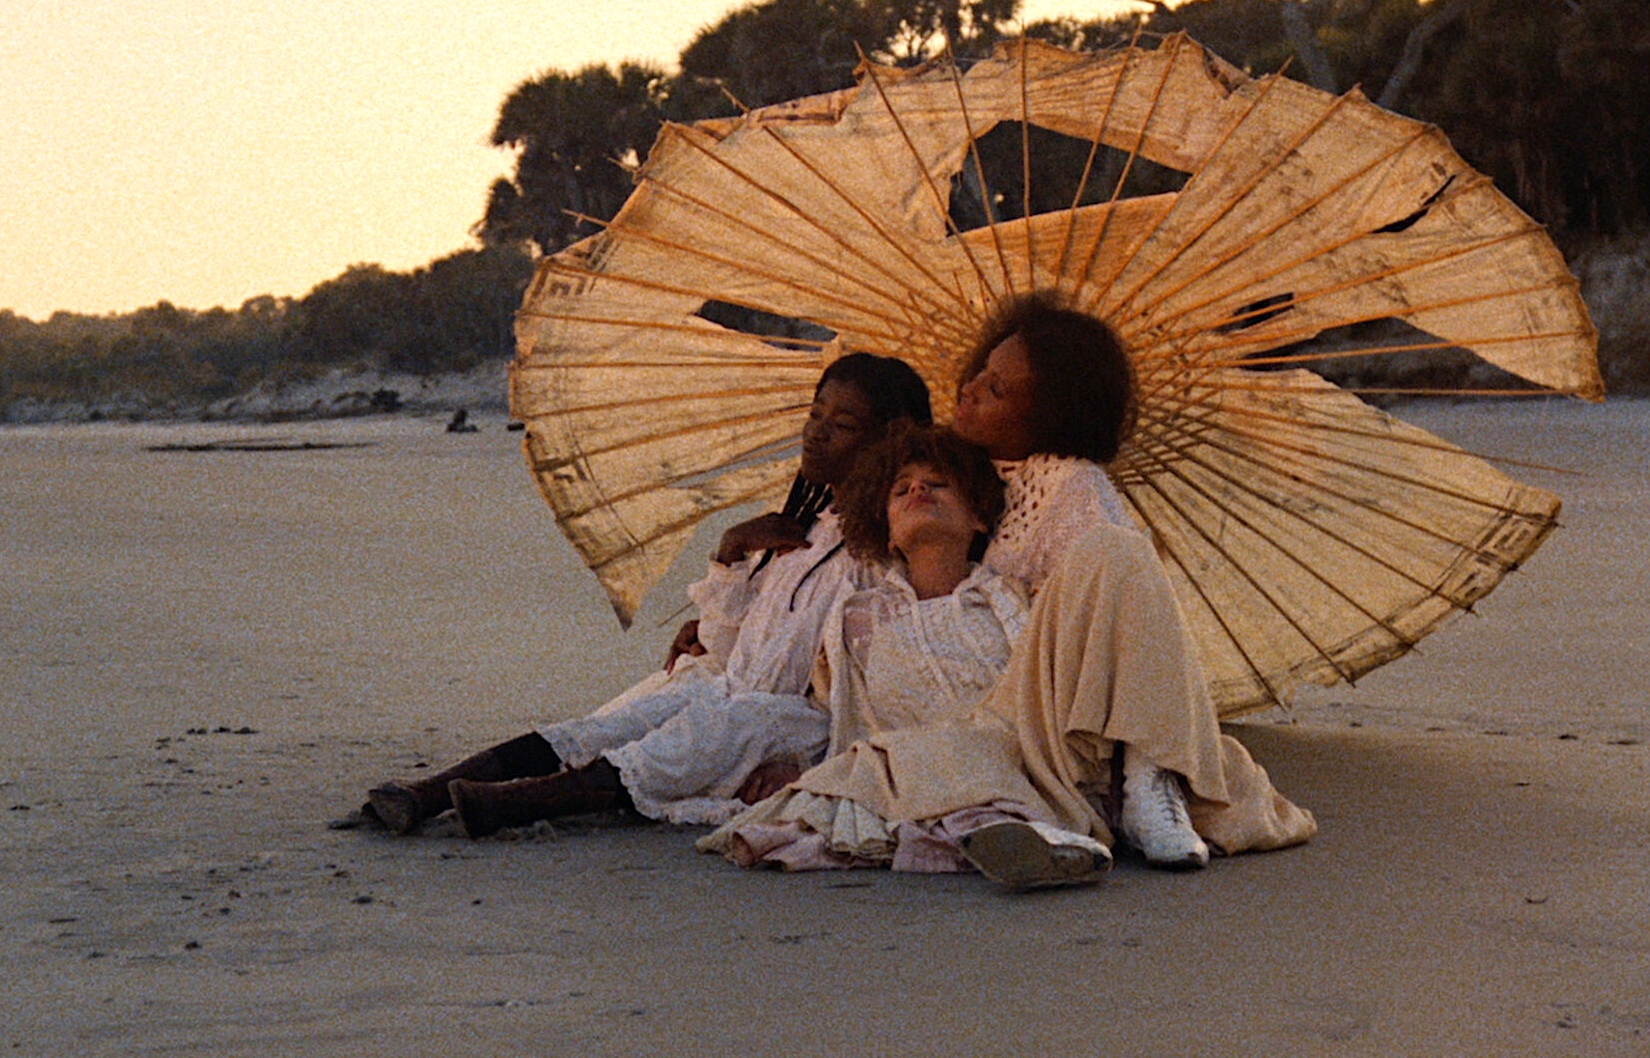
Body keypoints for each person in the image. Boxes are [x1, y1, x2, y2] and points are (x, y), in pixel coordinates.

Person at [355, 353, 935, 837]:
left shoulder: (883, 551)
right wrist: (733, 553)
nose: (816, 430)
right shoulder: (799, 530)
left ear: (889, 441)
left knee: (683, 744)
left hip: (797, 721)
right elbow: (727, 646)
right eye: (815, 413)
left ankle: (510, 803)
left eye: (843, 424)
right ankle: (429, 793)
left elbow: (867, 678)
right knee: (616, 722)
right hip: (730, 686)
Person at [943, 291, 1316, 866]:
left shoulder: (1071, 485)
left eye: (997, 389)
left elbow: (1114, 621)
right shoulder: (942, 468)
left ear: (1048, 417)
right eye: (982, 372)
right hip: (960, 679)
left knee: (1117, 551)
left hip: (1047, 686)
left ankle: (1150, 776)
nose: (969, 389)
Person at [700, 424, 1117, 890]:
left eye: (937, 484)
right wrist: (803, 768)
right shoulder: (856, 620)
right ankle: (1005, 833)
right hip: (912, 769)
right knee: (882, 760)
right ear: (891, 534)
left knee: (978, 743)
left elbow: (1050, 699)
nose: (918, 489)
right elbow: (838, 718)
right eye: (902, 490)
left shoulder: (1016, 602)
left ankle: (1018, 828)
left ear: (978, 519)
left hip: (1015, 756)